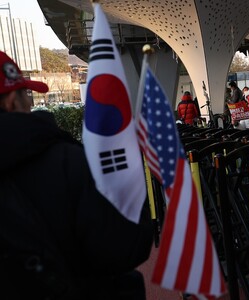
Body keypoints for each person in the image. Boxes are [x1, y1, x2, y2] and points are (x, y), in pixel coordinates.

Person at [0, 50, 153, 299]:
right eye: (25, 93)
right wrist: (130, 180)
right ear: (11, 101)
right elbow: (127, 248)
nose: (29, 103)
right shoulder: (66, 162)